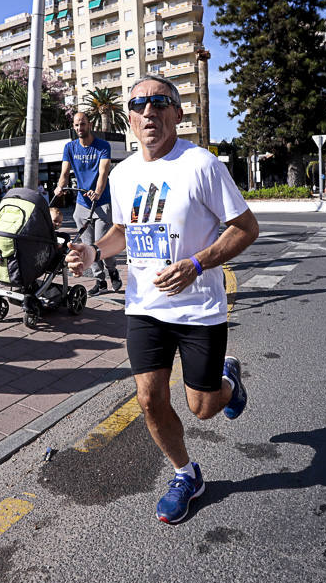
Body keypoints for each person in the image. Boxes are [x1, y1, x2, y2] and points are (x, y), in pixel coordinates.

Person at [66, 75, 260, 524]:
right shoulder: (123, 172)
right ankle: (186, 474)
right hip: (146, 307)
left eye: (159, 102)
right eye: (139, 105)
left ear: (176, 112)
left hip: (199, 309)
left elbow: (246, 228)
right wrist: (95, 252)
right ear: (129, 118)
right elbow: (123, 231)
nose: (149, 111)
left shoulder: (202, 165)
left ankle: (227, 381)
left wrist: (197, 263)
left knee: (203, 407)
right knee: (149, 399)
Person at [55, 111, 122, 295]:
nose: (79, 128)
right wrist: (60, 187)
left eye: (82, 124)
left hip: (101, 203)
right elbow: (64, 173)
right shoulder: (70, 147)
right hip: (82, 204)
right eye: (76, 125)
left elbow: (103, 172)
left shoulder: (102, 146)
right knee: (87, 244)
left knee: (100, 244)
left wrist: (98, 192)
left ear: (89, 124)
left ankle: (112, 271)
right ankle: (100, 281)